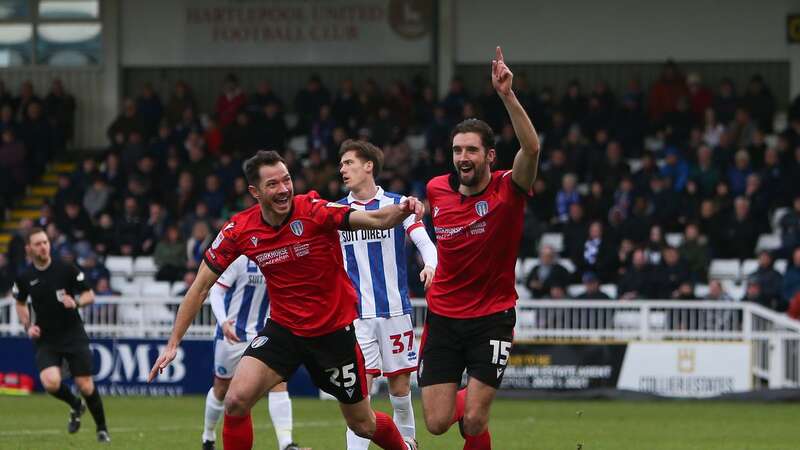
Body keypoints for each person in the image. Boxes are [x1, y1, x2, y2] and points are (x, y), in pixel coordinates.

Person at [148, 150, 423, 450]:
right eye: (273, 184)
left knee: (362, 423)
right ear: (254, 192)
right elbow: (200, 286)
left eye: (287, 180)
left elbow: (372, 218)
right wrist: (173, 342)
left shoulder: (314, 209)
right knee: (237, 400)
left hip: (333, 334)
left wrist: (403, 209)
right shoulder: (239, 229)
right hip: (285, 331)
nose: (284, 189)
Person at [420, 47, 540, 450]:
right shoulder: (436, 190)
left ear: (489, 155)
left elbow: (533, 149)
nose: (463, 158)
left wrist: (507, 95)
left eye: (471, 150)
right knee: (437, 422)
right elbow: (438, 240)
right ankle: (471, 399)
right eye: (457, 150)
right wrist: (432, 264)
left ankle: (476, 407)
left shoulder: (510, 189)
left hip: (491, 317)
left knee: (473, 420)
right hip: (443, 316)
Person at [337, 140, 438, 449]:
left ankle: (407, 443)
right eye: (341, 164)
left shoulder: (398, 204)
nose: (343, 169)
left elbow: (425, 243)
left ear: (369, 166)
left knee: (400, 389)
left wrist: (431, 265)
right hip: (357, 317)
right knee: (360, 396)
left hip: (395, 311)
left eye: (349, 162)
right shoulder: (337, 212)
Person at [12, 227, 110, 442]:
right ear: (29, 248)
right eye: (38, 243)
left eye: (45, 242)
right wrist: (28, 325)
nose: (43, 247)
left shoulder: (65, 269)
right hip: (47, 338)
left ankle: (102, 428)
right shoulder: (25, 276)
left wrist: (76, 302)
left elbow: (90, 294)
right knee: (50, 382)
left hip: (73, 333)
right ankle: (75, 405)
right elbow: (19, 303)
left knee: (85, 385)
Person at [202, 255, 307, 450]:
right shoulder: (239, 259)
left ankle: (286, 443)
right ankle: (208, 436)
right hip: (232, 335)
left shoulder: (278, 257)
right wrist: (223, 322)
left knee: (278, 383)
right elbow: (216, 290)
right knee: (221, 388)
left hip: (263, 335)